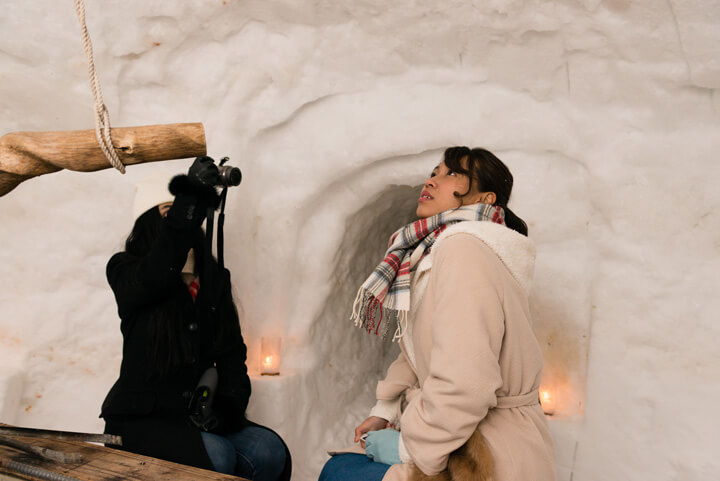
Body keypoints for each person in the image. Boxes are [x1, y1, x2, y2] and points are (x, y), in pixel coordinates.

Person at [320, 147, 557, 481]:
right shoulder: (438, 250)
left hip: (485, 456)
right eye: (434, 172)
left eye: (451, 174)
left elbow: (467, 381)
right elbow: (420, 350)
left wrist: (410, 448)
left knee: (338, 472)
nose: (432, 180)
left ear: (487, 198)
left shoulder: (464, 249)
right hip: (459, 437)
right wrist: (385, 410)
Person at [101, 158, 291, 481]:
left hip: (193, 420)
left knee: (269, 451)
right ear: (148, 222)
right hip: (141, 421)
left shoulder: (213, 277)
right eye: (169, 213)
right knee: (217, 456)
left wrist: (227, 410)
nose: (182, 221)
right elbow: (158, 271)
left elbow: (231, 354)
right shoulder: (125, 269)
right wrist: (188, 198)